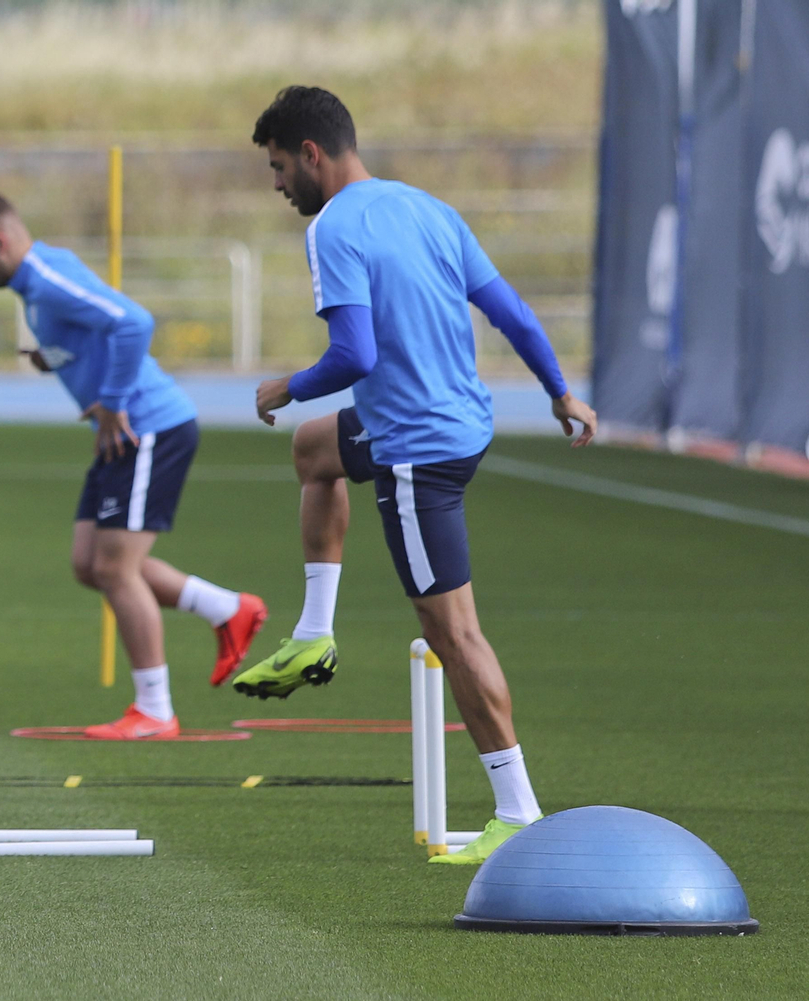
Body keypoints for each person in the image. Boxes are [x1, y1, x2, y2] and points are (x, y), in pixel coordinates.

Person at [236, 86, 598, 863]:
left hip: (416, 450)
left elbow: (354, 357)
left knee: (453, 633)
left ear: (310, 154)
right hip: (460, 419)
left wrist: (285, 384)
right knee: (314, 449)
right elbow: (514, 314)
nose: (274, 186)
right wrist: (560, 392)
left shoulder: (333, 228)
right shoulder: (429, 207)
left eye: (275, 168)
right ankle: (313, 635)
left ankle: (516, 809)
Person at [0, 193, 266, 740]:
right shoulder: (35, 288)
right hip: (119, 436)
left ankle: (155, 710)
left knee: (116, 569)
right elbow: (94, 329)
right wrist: (55, 357)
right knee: (90, 564)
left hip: (147, 426)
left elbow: (134, 322)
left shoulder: (43, 276)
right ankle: (227, 608)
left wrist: (113, 399)